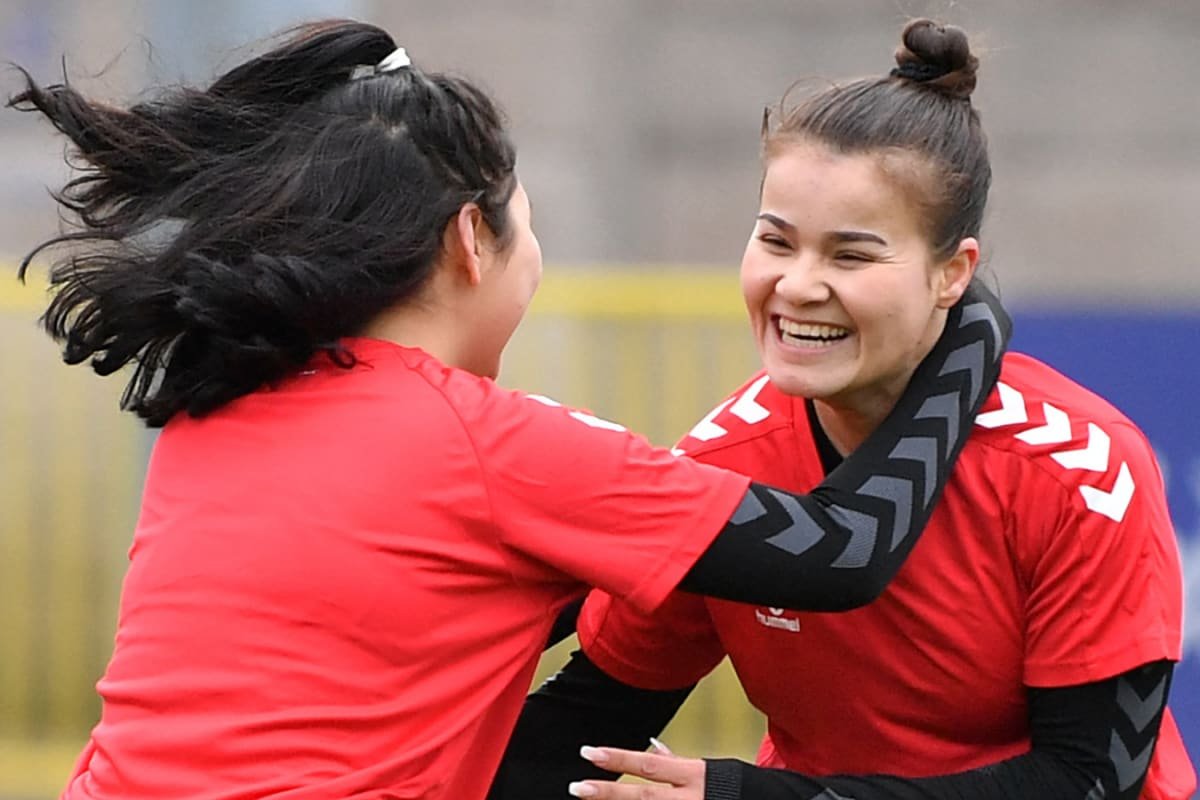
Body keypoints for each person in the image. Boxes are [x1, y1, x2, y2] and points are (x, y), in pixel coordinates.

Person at [8, 19, 1010, 800]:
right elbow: (841, 549)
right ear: (469, 244)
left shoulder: (222, 403)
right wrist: (967, 328)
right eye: (529, 223)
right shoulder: (485, 447)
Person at [492, 18, 1196, 800]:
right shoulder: (724, 458)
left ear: (951, 274)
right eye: (776, 242)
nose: (798, 285)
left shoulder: (1083, 472)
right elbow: (588, 722)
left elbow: (1092, 781)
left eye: (852, 254)